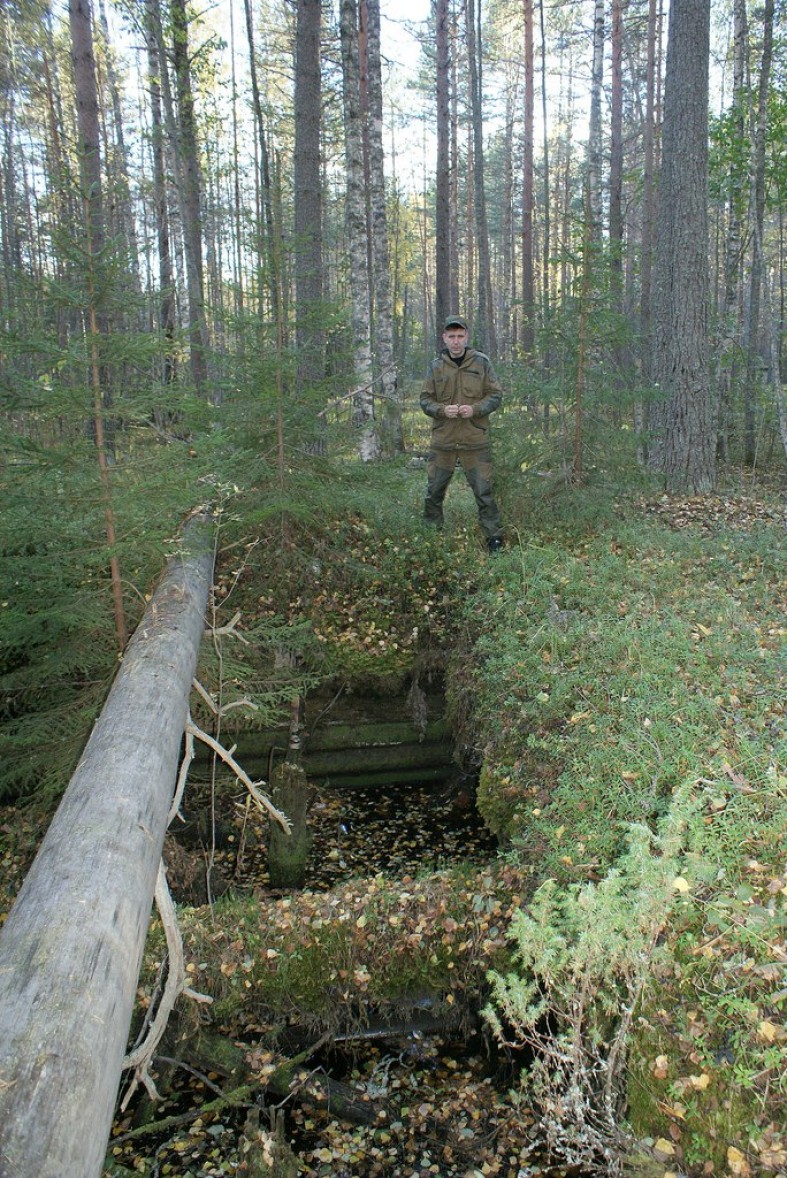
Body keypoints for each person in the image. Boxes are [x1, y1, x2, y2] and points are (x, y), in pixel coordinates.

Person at [419, 315, 505, 552]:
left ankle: (494, 539)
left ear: (466, 337)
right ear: (444, 338)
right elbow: (425, 400)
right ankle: (431, 538)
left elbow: (496, 395)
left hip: (475, 440)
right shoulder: (436, 366)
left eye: (460, 336)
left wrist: (475, 409)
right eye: (451, 337)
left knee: (484, 493)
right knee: (434, 493)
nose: (456, 341)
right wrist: (442, 410)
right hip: (443, 441)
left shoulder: (481, 363)